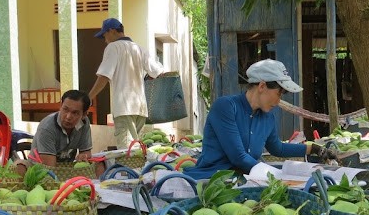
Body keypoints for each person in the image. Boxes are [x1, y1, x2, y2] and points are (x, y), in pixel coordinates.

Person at [184, 59, 336, 180]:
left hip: (246, 180)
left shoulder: (267, 117)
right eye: (279, 93)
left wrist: (315, 149)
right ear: (262, 86)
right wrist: (276, 176)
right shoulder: (226, 107)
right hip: (212, 181)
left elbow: (278, 148)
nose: (278, 101)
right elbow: (239, 157)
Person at [88, 18, 164, 149]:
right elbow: (158, 72)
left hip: (124, 107)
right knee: (136, 150)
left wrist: (88, 98)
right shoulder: (140, 49)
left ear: (112, 31)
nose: (105, 39)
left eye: (105, 35)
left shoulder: (113, 47)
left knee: (127, 152)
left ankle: (129, 170)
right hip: (140, 109)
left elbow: (104, 76)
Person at [30, 89, 93, 166]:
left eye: (75, 113)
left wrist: (83, 157)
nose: (68, 117)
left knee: (101, 163)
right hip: (41, 170)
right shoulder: (46, 127)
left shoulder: (84, 122)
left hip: (68, 169)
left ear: (84, 114)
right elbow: (49, 166)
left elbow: (86, 153)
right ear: (60, 106)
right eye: (65, 109)